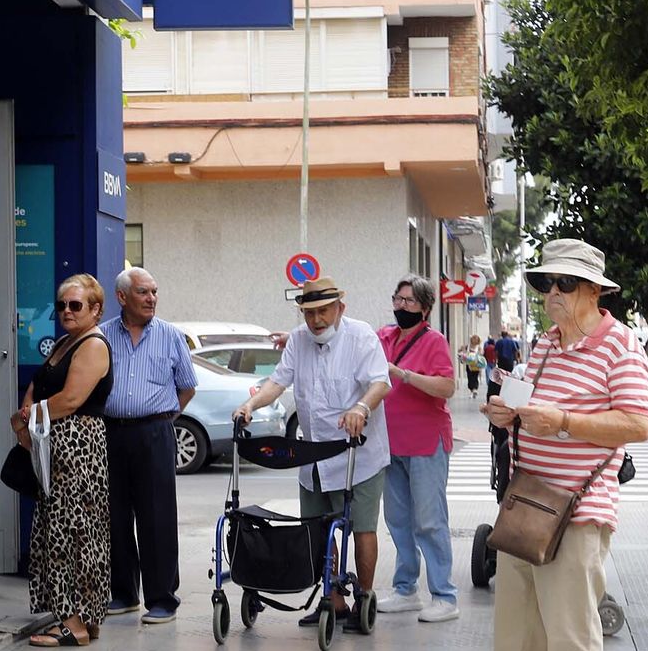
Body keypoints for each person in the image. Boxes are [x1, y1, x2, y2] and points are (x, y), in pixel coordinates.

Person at [466, 239, 648, 651]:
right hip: (528, 497)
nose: (552, 293)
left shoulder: (620, 345)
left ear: (595, 290)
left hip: (580, 503)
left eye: (564, 284)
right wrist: (509, 414)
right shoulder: (545, 344)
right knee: (516, 623)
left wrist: (564, 421)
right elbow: (531, 406)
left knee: (570, 627)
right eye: (547, 282)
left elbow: (638, 423)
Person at [234, 277, 390, 630]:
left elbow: (380, 381)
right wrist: (251, 403)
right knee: (317, 529)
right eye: (309, 313)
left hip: (358, 455)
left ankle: (364, 596)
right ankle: (333, 600)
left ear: (340, 309)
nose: (317, 320)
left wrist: (362, 408)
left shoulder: (361, 336)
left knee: (362, 528)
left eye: (323, 311)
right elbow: (278, 381)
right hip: (314, 454)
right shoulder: (299, 341)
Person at [14, 274, 113, 647]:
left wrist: (26, 416)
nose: (67, 311)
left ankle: (75, 624)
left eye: (76, 305)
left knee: (72, 533)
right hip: (55, 446)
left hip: (78, 449)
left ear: (96, 309)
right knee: (62, 529)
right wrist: (29, 406)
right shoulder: (64, 342)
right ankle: (80, 618)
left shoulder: (92, 345)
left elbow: (71, 399)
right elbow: (39, 384)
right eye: (61, 305)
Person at [99, 268, 197, 624]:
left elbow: (187, 387)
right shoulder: (103, 336)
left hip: (155, 432)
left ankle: (162, 598)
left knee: (156, 516)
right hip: (112, 432)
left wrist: (163, 419)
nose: (151, 298)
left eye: (154, 292)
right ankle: (123, 593)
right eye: (143, 292)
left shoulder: (170, 336)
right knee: (115, 515)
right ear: (122, 297)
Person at [375, 275, 459, 622]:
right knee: (397, 519)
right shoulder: (383, 336)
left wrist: (404, 374)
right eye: (397, 299)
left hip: (426, 443)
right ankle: (406, 588)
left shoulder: (434, 341)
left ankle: (445, 595)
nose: (401, 306)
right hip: (390, 442)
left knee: (429, 520)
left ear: (425, 308)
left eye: (409, 301)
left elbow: (447, 386)